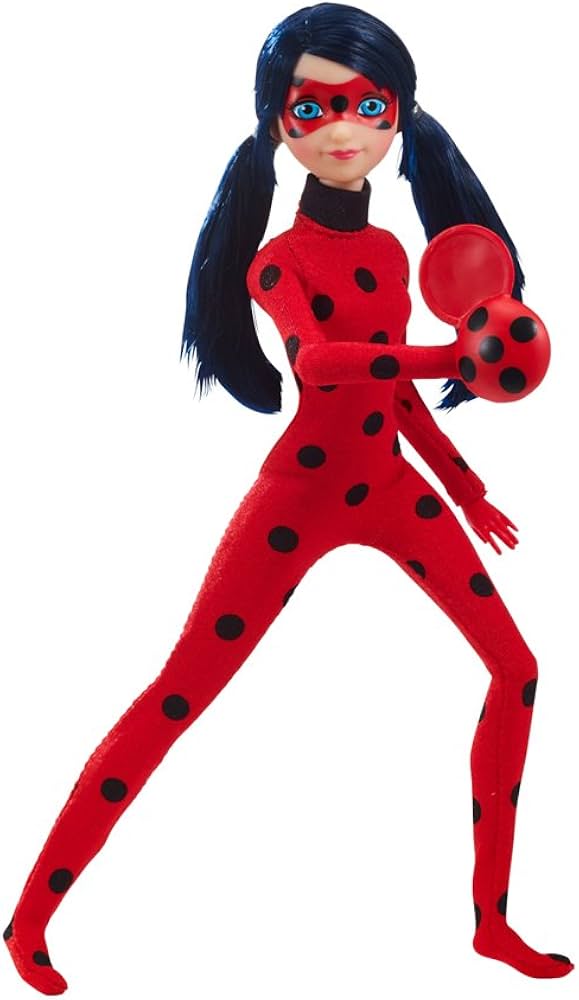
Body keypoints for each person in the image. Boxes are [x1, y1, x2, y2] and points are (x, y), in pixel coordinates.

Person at [3, 4, 573, 993]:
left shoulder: (391, 256)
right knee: (178, 694)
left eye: (369, 105)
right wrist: (447, 356)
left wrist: (464, 483)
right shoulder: (278, 260)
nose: (344, 127)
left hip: (389, 485)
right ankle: (28, 922)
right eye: (313, 107)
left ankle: (491, 922)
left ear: (400, 117)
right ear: (278, 123)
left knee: (516, 670)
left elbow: (392, 396)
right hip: (299, 494)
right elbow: (323, 364)